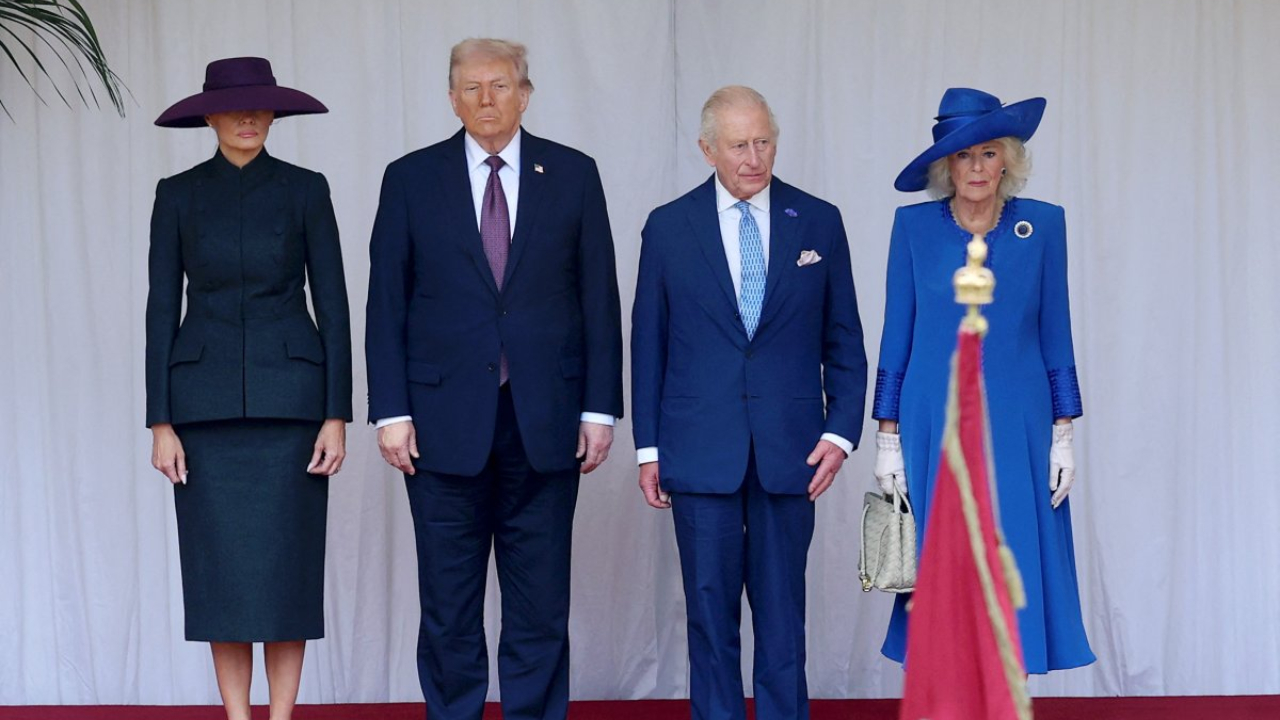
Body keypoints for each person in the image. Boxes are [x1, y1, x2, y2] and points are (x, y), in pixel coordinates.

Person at [365, 38, 623, 720]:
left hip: (547, 421)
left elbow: (599, 296)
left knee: (541, 605)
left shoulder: (571, 174)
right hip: (440, 425)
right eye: (472, 87)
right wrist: (390, 410)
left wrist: (601, 410)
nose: (487, 98)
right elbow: (386, 300)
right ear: (451, 98)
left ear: (526, 93)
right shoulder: (410, 178)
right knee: (448, 609)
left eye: (501, 85)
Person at [631, 86, 867, 720]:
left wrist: (842, 432)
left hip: (792, 449)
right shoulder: (669, 225)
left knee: (784, 617)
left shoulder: (818, 220)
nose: (753, 156)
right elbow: (647, 344)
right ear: (708, 148)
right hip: (698, 448)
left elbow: (844, 337)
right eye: (738, 144)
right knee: (709, 617)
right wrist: (648, 448)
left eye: (763, 141)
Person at [147, 57, 352, 720]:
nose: (247, 118)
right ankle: (237, 717)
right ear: (208, 117)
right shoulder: (177, 194)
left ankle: (283, 716)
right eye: (234, 108)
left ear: (273, 114)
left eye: (260, 108)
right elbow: (160, 309)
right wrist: (160, 422)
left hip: (291, 408)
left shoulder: (306, 190)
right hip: (201, 414)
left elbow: (336, 305)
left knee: (286, 578)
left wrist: (336, 414)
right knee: (223, 584)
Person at [874, 87, 1095, 673]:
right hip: (931, 423)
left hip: (1019, 422)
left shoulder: (1044, 225)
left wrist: (1064, 431)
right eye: (965, 156)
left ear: (1008, 160)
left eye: (989, 153)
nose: (977, 168)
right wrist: (887, 439)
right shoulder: (913, 228)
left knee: (1013, 559)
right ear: (946, 166)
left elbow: (1056, 332)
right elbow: (897, 335)